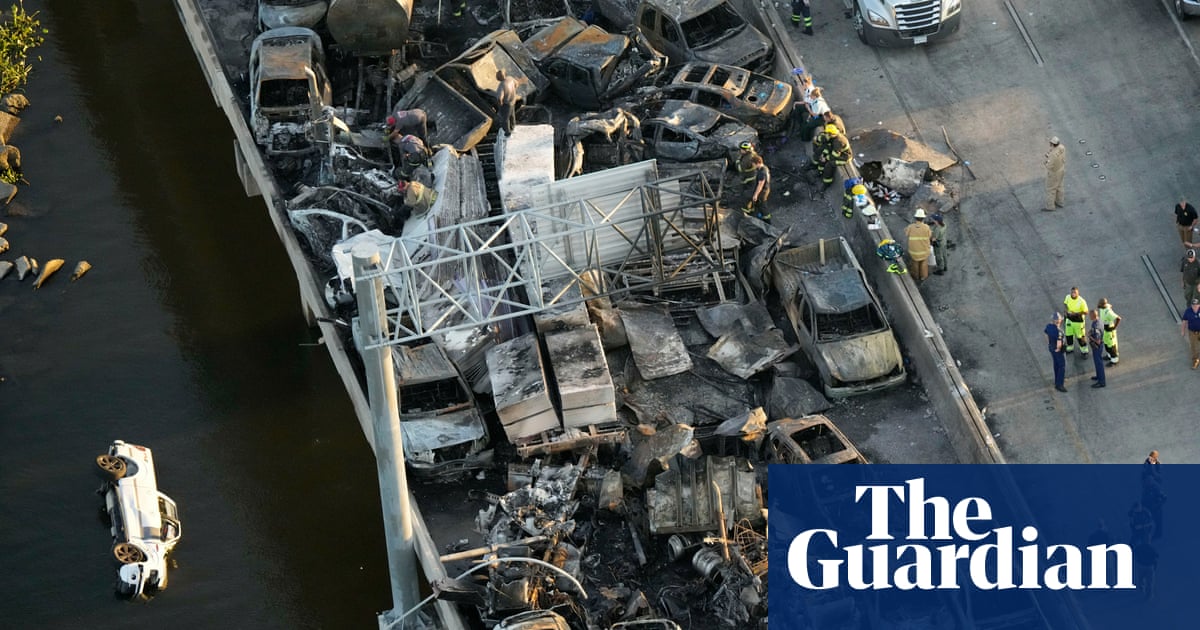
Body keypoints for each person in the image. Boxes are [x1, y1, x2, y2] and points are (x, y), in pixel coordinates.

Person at [813, 124, 850, 189]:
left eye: (828, 134)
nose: (826, 134)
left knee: (829, 164)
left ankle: (827, 183)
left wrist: (826, 158)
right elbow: (828, 145)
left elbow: (835, 155)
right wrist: (824, 155)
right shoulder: (833, 135)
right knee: (822, 156)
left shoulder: (839, 141)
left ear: (831, 134)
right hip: (835, 152)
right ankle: (820, 172)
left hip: (843, 158)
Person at [905, 208, 933, 281]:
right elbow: (930, 236)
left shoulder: (910, 227)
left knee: (915, 263)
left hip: (913, 251)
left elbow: (906, 234)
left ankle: (916, 276)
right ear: (923, 218)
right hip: (924, 250)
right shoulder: (926, 227)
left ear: (915, 218)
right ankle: (923, 277)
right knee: (924, 262)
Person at [1045, 312, 1067, 392]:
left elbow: (1046, 335)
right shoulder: (1059, 331)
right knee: (1062, 365)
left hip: (1051, 348)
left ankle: (1057, 379)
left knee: (1056, 364)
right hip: (1057, 350)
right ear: (1058, 321)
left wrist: (1049, 344)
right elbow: (1059, 343)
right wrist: (1058, 349)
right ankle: (1059, 384)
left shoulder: (1048, 326)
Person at [745, 155, 771, 222]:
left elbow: (760, 185)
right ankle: (761, 214)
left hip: (762, 192)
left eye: (753, 164)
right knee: (759, 203)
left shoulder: (762, 173)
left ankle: (767, 220)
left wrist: (755, 195)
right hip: (766, 189)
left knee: (762, 205)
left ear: (758, 163)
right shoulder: (765, 168)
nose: (753, 166)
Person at [1062, 287, 1088, 354]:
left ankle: (1084, 350)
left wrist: (1076, 313)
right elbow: (1065, 303)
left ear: (1078, 293)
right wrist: (1066, 310)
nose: (1073, 294)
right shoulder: (1067, 297)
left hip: (1078, 321)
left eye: (1075, 292)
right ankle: (1070, 347)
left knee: (1080, 336)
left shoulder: (1081, 301)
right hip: (1069, 319)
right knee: (1068, 334)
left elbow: (1086, 312)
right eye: (1072, 292)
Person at [1043, 136, 1066, 211]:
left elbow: (1049, 166)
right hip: (1061, 169)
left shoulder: (1053, 155)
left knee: (1050, 189)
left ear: (1052, 144)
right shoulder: (1062, 147)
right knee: (1059, 186)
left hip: (1054, 173)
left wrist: (1046, 162)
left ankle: (1050, 206)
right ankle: (1060, 202)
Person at [1097, 298, 1121, 365]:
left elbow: (1118, 318)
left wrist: (1114, 327)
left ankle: (1114, 360)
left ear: (1103, 305)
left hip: (1109, 329)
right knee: (1106, 343)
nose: (1098, 305)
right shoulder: (1103, 307)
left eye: (1099, 304)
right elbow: (1110, 305)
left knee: (1111, 345)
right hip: (1104, 329)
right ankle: (1109, 355)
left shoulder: (1109, 313)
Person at [1141, 475, 1166, 541]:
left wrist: (1158, 504)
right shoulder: (1145, 488)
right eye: (1145, 481)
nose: (1146, 483)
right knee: (1147, 523)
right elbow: (1144, 499)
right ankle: (1146, 536)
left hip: (1156, 509)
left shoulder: (1156, 488)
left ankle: (1158, 535)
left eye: (1147, 481)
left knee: (1158, 522)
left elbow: (1164, 498)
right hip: (1148, 509)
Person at [495, 69, 519, 134]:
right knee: (512, 116)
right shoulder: (510, 78)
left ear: (499, 78)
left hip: (506, 104)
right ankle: (513, 127)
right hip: (513, 101)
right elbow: (517, 84)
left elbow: (499, 98)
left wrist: (500, 105)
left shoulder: (501, 86)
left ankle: (507, 133)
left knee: (505, 119)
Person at [1180, 298, 1200, 369]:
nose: (1195, 306)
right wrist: (1182, 331)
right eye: (1193, 305)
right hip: (1192, 332)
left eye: (1196, 305)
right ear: (1191, 305)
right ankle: (1195, 361)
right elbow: (1184, 321)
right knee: (1194, 347)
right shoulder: (1188, 311)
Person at [1088, 310, 1105, 388]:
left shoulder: (1096, 326)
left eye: (1090, 315)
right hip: (1099, 345)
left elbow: (1098, 341)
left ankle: (1101, 382)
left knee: (1099, 364)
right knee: (1097, 363)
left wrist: (1090, 336)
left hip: (1097, 347)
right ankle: (1098, 376)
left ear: (1092, 316)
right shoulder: (1099, 321)